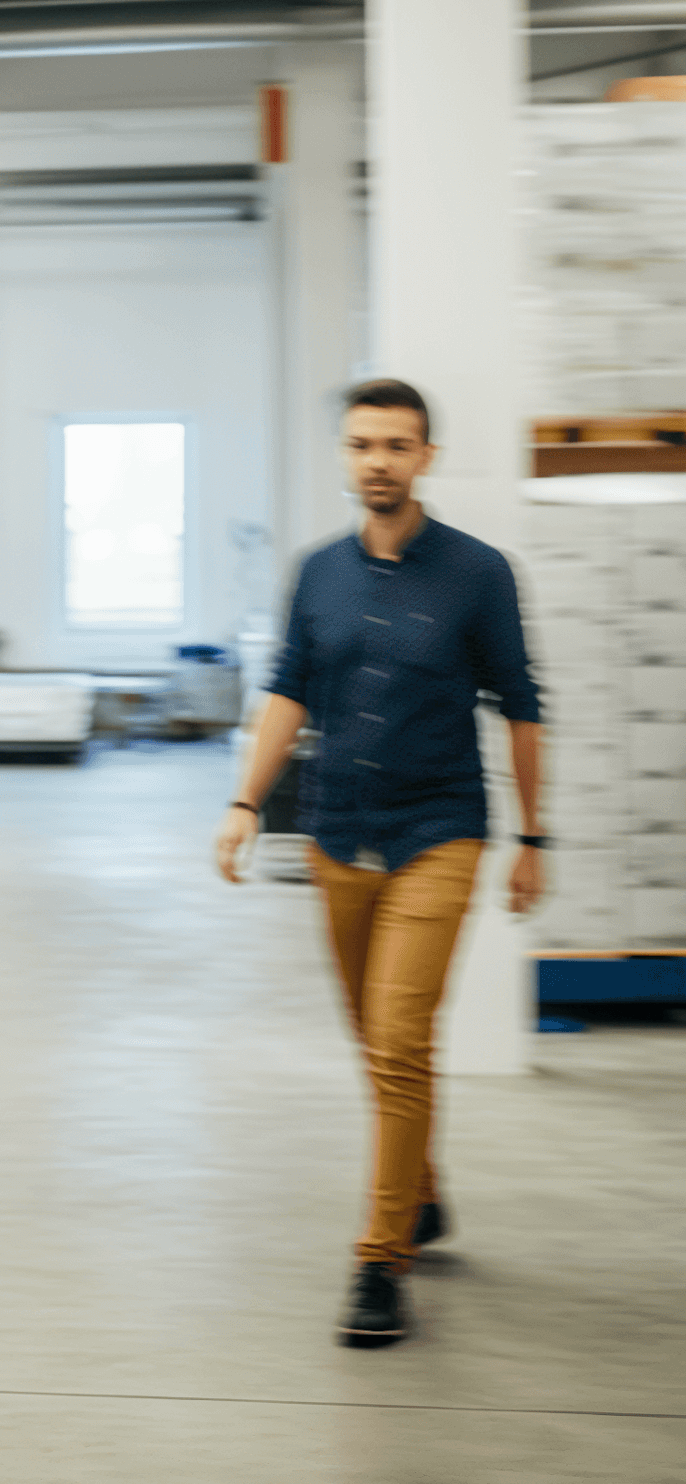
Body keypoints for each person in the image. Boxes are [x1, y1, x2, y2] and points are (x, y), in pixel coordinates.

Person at [214, 378, 544, 1349]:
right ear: (346, 456)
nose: (379, 461)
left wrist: (534, 836)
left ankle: (378, 1260)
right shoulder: (318, 574)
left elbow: (524, 705)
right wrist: (242, 802)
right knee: (377, 1040)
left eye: (398, 445)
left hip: (440, 832)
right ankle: (424, 1197)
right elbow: (286, 694)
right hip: (337, 836)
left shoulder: (479, 574)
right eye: (363, 444)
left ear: (426, 458)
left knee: (401, 1040)